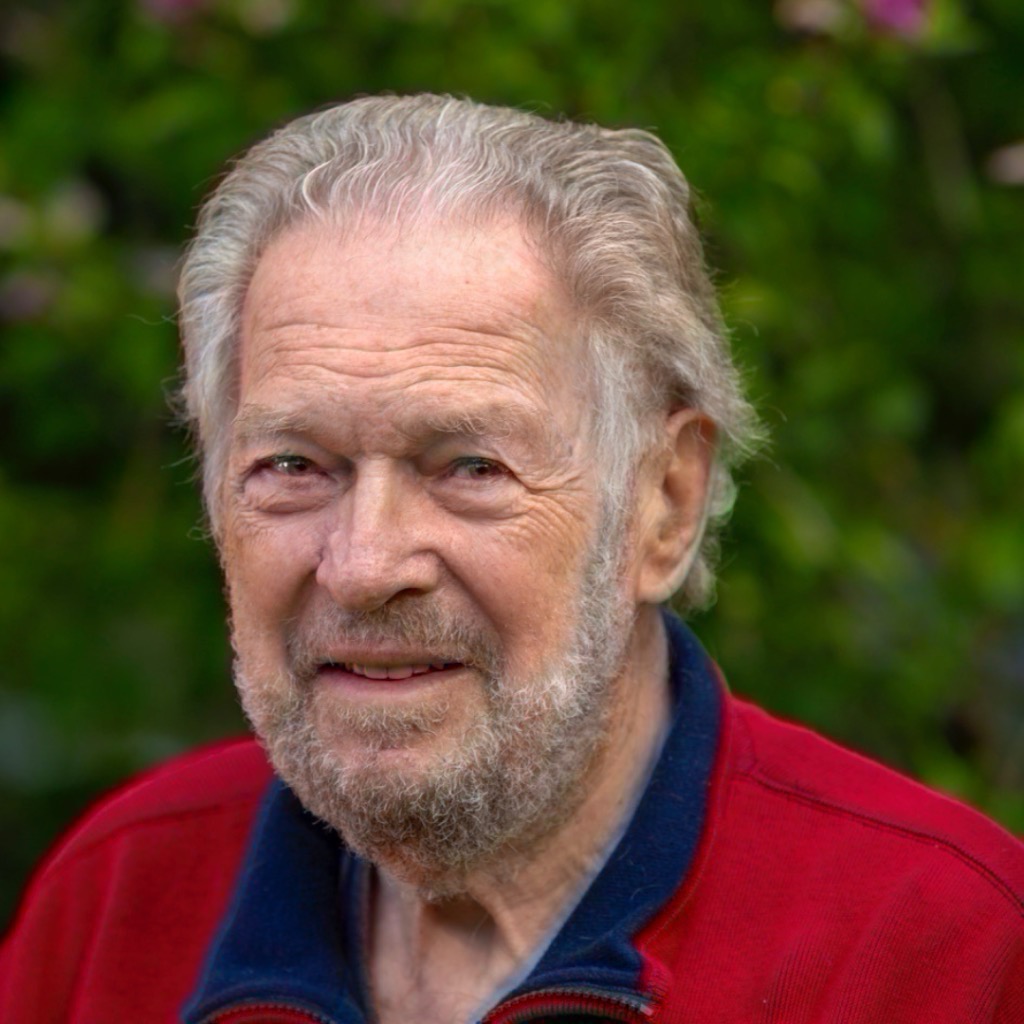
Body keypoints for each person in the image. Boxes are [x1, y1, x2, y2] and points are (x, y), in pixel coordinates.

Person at [1, 93, 1022, 1024]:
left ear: (663, 504)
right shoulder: (116, 902)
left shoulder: (948, 953)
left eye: (469, 466)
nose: (364, 564)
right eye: (295, 465)